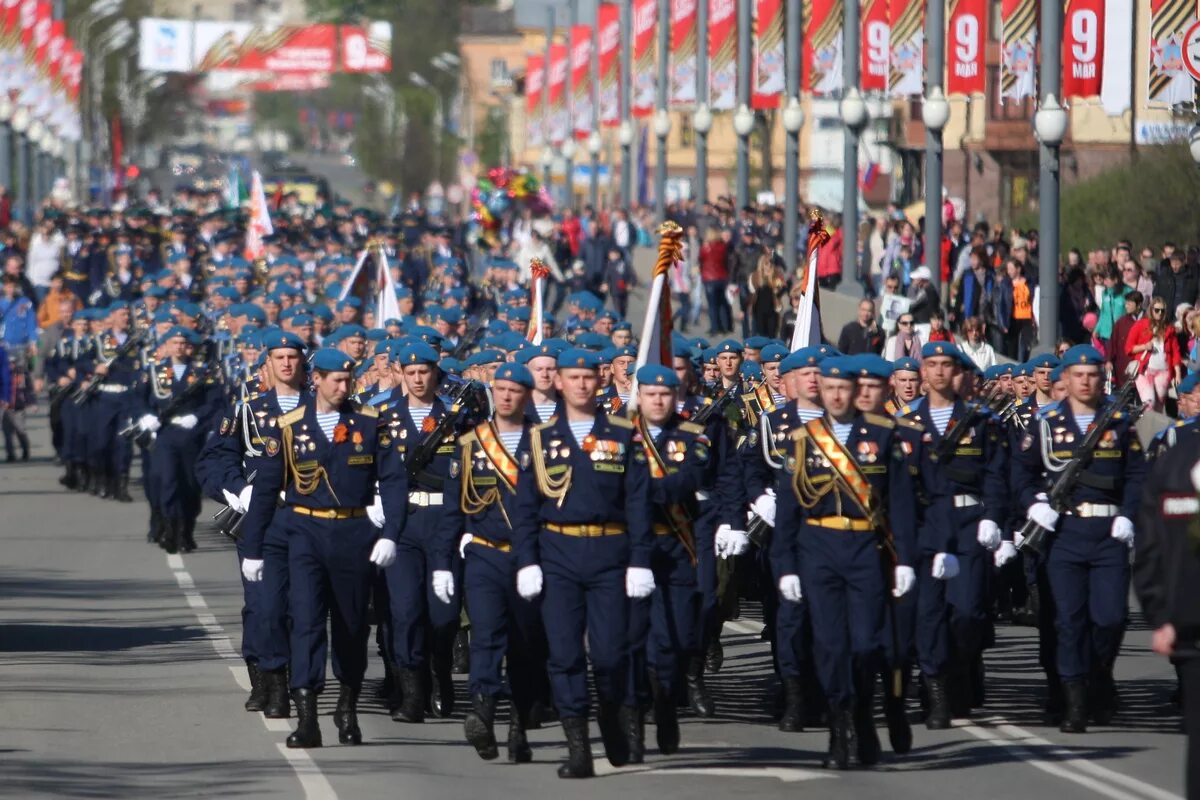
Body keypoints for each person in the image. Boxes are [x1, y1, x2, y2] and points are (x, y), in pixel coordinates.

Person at [239, 348, 407, 749]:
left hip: (353, 534)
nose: (342, 386)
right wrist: (253, 548)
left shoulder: (369, 423)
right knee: (307, 622)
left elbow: (395, 480)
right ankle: (308, 717)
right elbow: (265, 490)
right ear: (316, 380)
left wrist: (390, 535)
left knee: (350, 628)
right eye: (334, 379)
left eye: (348, 380)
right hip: (305, 534)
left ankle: (346, 708)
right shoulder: (290, 427)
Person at [511, 347, 652, 779]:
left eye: (588, 377)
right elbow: (525, 508)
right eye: (572, 377)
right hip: (558, 555)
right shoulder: (538, 438)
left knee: (610, 653)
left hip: (610, 554)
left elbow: (638, 501)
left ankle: (612, 716)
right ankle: (578, 748)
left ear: (599, 380)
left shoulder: (624, 434)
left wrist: (641, 559)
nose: (581, 385)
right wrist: (527, 561)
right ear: (558, 382)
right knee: (565, 653)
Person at [773, 355, 917, 769]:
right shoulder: (802, 439)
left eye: (844, 388)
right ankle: (841, 728)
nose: (836, 395)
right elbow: (788, 509)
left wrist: (905, 559)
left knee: (867, 643)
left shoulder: (884, 435)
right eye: (830, 388)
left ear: (856, 392)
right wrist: (785, 565)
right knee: (830, 645)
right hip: (817, 547)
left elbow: (901, 504)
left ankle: (862, 715)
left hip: (864, 550)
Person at [1012, 345, 1147, 733]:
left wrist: (1128, 515)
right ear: (1065, 380)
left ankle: (1099, 673)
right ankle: (1075, 702)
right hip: (1065, 534)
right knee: (1068, 621)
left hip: (1108, 535)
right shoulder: (1045, 422)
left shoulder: (1119, 423)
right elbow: (1021, 473)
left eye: (1093, 375)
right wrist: (1032, 504)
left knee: (1110, 618)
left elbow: (1136, 476)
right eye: (1078, 375)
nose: (1086, 381)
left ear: (1102, 378)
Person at [456, 362, 549, 764]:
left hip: (532, 558)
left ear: (527, 395)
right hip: (485, 552)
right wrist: (447, 557)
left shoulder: (546, 442)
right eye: (501, 389)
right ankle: (482, 711)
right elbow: (453, 503)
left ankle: (517, 726)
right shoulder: (471, 442)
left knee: (526, 644)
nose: (507, 396)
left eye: (515, 390)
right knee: (487, 634)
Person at [1134, 429, 1200, 799]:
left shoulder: (1173, 460)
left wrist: (1159, 615)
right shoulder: (1172, 463)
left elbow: (1149, 552)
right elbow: (1151, 543)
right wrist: (1161, 616)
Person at [1127, 296, 1183, 412]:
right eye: (1157, 310)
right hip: (1145, 370)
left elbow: (1175, 353)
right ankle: (1145, 429)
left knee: (1159, 406)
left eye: (1162, 311)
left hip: (1163, 371)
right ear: (1151, 310)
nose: (1159, 313)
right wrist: (1144, 346)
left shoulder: (1169, 329)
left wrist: (1177, 374)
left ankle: (1155, 430)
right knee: (1149, 403)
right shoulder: (1140, 325)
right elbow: (1128, 348)